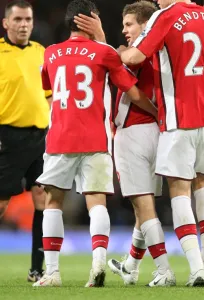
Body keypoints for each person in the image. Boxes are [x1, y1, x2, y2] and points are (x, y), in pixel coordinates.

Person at [32, 0, 157, 288]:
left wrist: (61, 112)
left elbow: (48, 90)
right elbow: (133, 91)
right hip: (95, 138)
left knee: (53, 202)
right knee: (96, 202)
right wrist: (157, 113)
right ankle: (98, 265)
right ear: (90, 20)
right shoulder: (104, 53)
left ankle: (52, 273)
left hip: (60, 138)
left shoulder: (50, 54)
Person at [120, 0, 204, 286]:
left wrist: (116, 53)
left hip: (181, 117)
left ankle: (196, 268)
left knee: (179, 190)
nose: (156, 0)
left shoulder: (165, 15)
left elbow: (135, 57)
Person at [74, 1, 176, 287]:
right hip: (157, 133)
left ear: (146, 25)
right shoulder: (161, 51)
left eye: (130, 24)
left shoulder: (138, 53)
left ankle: (164, 270)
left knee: (143, 206)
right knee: (143, 206)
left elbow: (125, 82)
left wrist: (103, 40)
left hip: (134, 131)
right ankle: (131, 265)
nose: (126, 30)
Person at [0, 0, 52, 282]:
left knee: (42, 199)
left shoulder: (41, 53)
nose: (23, 25)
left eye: (28, 19)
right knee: (1, 204)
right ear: (6, 23)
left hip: (39, 137)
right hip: (7, 137)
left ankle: (37, 269)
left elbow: (48, 94)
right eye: (18, 19)